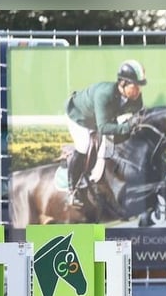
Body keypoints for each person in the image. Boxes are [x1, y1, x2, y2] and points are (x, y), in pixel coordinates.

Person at [62, 59, 147, 206]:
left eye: (140, 86)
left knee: (112, 144)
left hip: (101, 117)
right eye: (135, 86)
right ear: (123, 83)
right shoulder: (104, 94)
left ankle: (105, 179)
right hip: (79, 116)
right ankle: (72, 189)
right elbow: (103, 128)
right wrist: (127, 127)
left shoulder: (136, 97)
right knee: (84, 145)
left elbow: (137, 117)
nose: (138, 90)